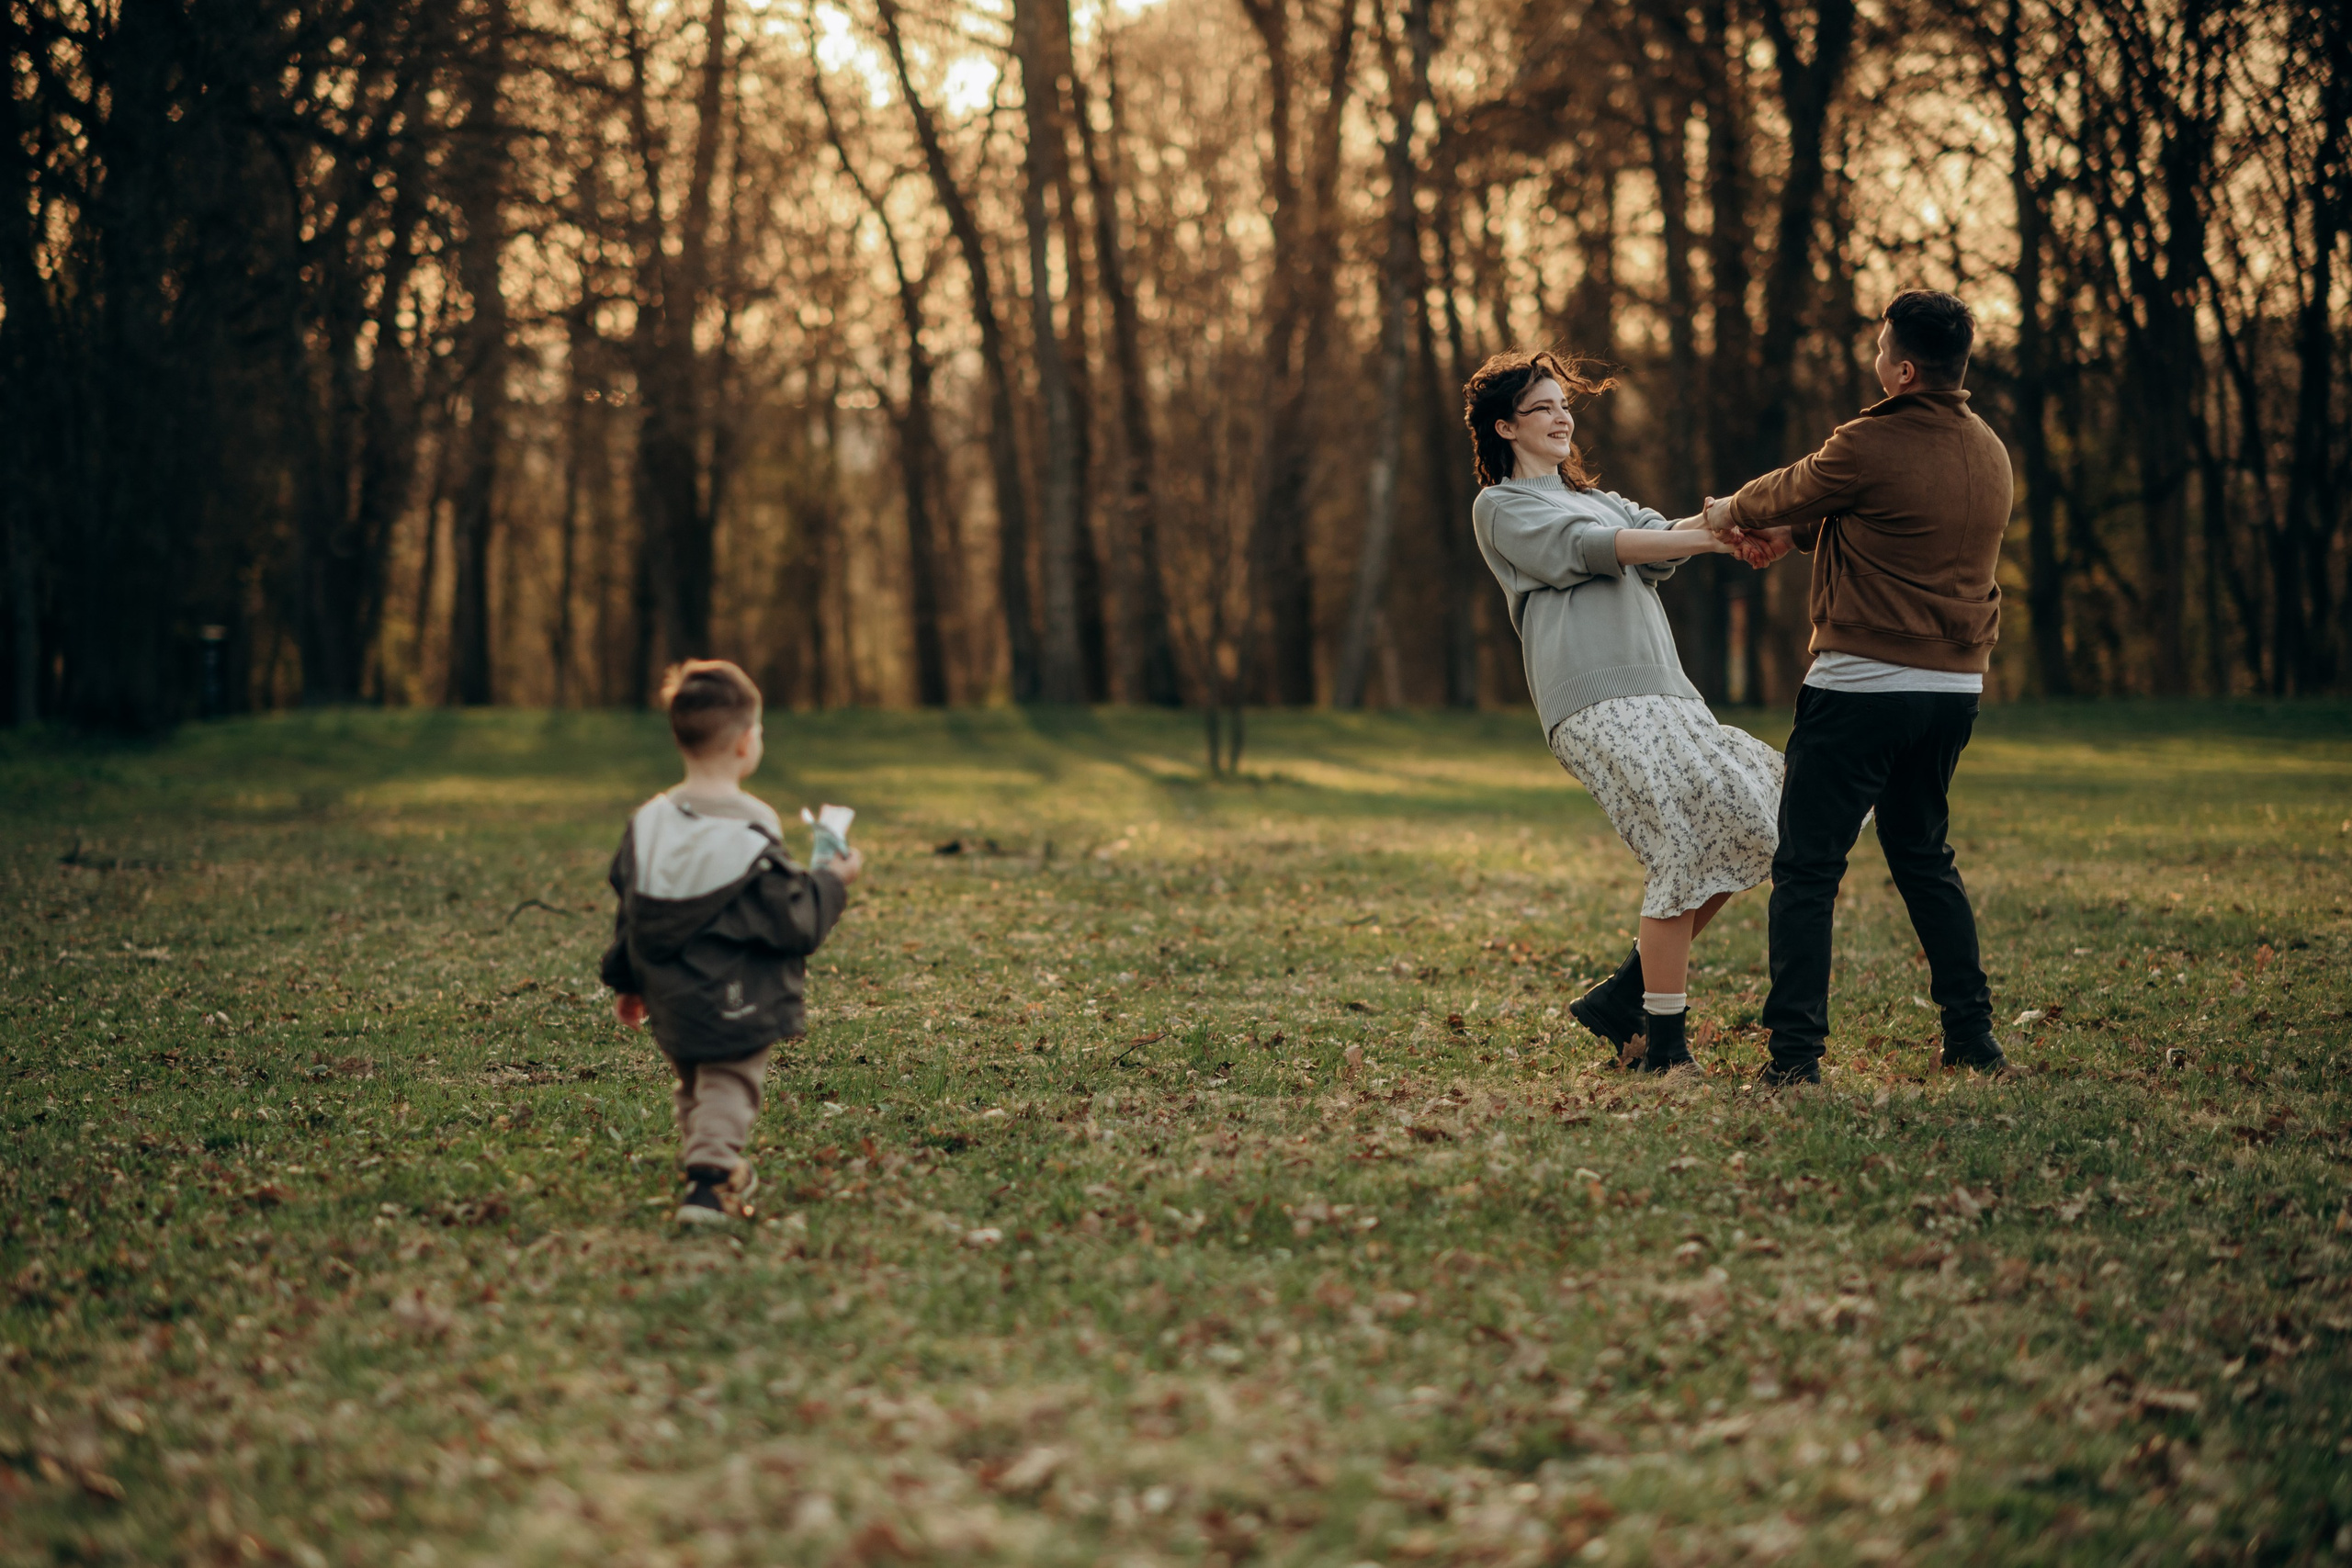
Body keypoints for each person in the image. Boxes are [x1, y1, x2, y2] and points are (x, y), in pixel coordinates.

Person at [1700, 289, 2010, 1087]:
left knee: (1807, 869)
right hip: (1953, 690)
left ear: (1904, 369)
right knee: (1922, 854)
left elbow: (1799, 485)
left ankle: (1795, 1057)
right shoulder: (1988, 450)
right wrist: (1790, 537)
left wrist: (1731, 512)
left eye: (1880, 350)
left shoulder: (1871, 440)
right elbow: (1880, 525)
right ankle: (1972, 1035)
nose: (1873, 360)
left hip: (1864, 687)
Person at [1464, 349, 1784, 1073]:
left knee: (1753, 817)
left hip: (1667, 690)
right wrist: (1713, 536)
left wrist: (1740, 517)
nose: (1561, 416)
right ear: (1506, 427)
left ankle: (1627, 992)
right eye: (1543, 407)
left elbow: (1655, 532)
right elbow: (1591, 550)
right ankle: (1666, 1050)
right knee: (1680, 844)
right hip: (1592, 696)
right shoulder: (1503, 507)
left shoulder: (1602, 498)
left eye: (1563, 404)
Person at [601, 660, 865, 1224]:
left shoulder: (648, 822)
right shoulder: (752, 830)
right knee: (730, 1080)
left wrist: (626, 981)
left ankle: (711, 1160)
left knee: (698, 1079)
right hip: (735, 993)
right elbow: (794, 920)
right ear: (747, 743)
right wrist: (831, 881)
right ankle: (710, 1179)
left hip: (668, 995)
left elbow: (632, 908)